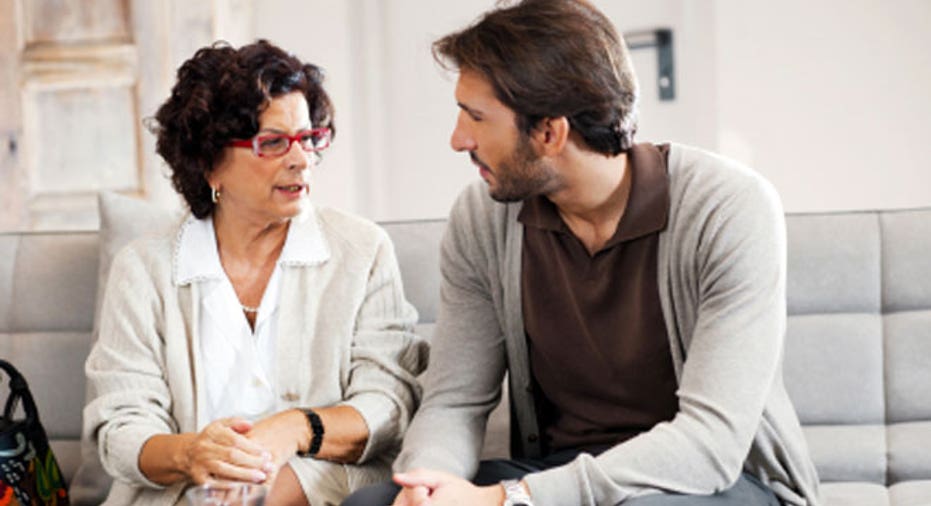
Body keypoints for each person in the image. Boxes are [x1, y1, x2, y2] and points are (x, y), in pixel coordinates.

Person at [343, 1, 821, 505]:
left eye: (476, 117)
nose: (458, 139)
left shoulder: (727, 208)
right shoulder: (483, 219)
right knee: (370, 505)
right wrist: (426, 484)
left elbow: (711, 442)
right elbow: (454, 399)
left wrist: (511, 499)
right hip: (556, 473)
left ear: (550, 133)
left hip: (704, 483)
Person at [82, 40, 428, 506]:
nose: (301, 159)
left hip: (318, 492)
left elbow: (389, 403)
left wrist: (292, 429)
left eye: (309, 139)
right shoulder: (144, 269)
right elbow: (120, 428)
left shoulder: (361, 252)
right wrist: (192, 454)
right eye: (273, 142)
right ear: (208, 163)